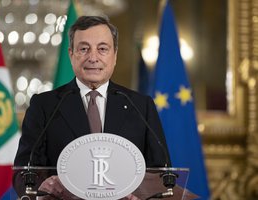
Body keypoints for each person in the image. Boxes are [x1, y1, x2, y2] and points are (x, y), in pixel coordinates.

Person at [13, 15, 170, 200]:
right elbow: (23, 173)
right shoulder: (45, 105)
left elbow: (162, 173)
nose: (93, 57)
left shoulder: (141, 106)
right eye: (84, 49)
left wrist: (138, 193)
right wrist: (45, 187)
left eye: (102, 49)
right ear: (71, 54)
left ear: (115, 55)